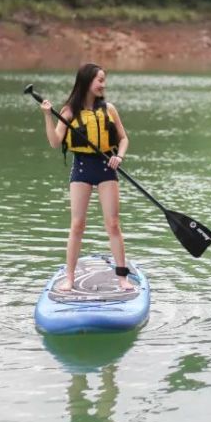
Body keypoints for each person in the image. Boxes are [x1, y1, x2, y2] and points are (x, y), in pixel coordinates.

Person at [40, 63, 132, 291]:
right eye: (99, 80)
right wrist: (47, 116)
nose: (103, 85)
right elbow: (55, 142)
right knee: (77, 224)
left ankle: (122, 277)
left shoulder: (109, 109)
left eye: (104, 80)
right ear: (87, 81)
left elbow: (123, 139)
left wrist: (119, 157)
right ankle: (70, 278)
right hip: (82, 168)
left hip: (106, 167)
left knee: (113, 224)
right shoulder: (69, 111)